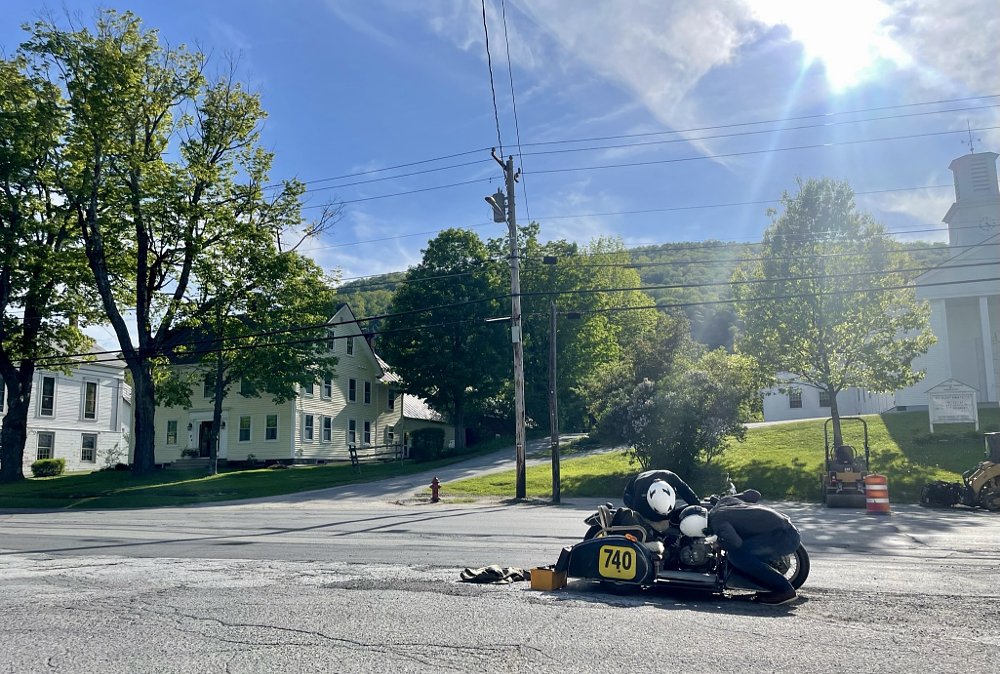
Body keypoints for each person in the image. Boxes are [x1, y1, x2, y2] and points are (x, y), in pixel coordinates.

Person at [707, 495, 801, 605]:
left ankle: (785, 591)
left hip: (784, 538)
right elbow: (753, 493)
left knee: (736, 557)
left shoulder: (716, 520)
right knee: (742, 551)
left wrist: (719, 544)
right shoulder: (726, 501)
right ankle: (763, 584)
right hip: (787, 528)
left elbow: (736, 542)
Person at [622, 469, 701, 524]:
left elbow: (688, 494)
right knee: (644, 519)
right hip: (631, 492)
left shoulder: (672, 477)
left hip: (656, 478)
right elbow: (638, 515)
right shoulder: (640, 489)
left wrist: (699, 508)